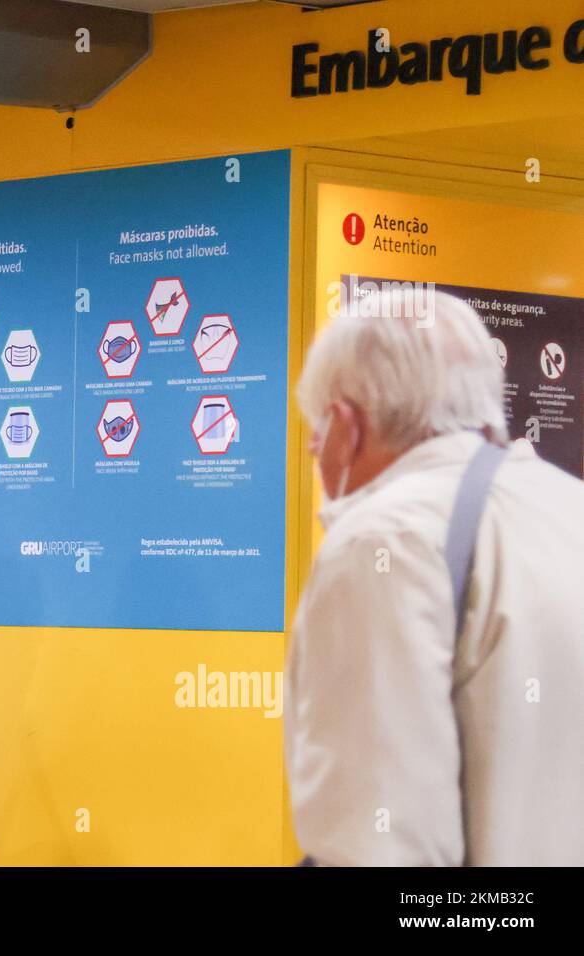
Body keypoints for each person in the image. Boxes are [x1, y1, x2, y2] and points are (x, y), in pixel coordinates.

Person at [285, 287, 584, 866]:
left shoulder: (383, 541)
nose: (315, 454)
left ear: (345, 427)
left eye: (316, 436)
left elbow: (378, 844)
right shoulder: (569, 506)